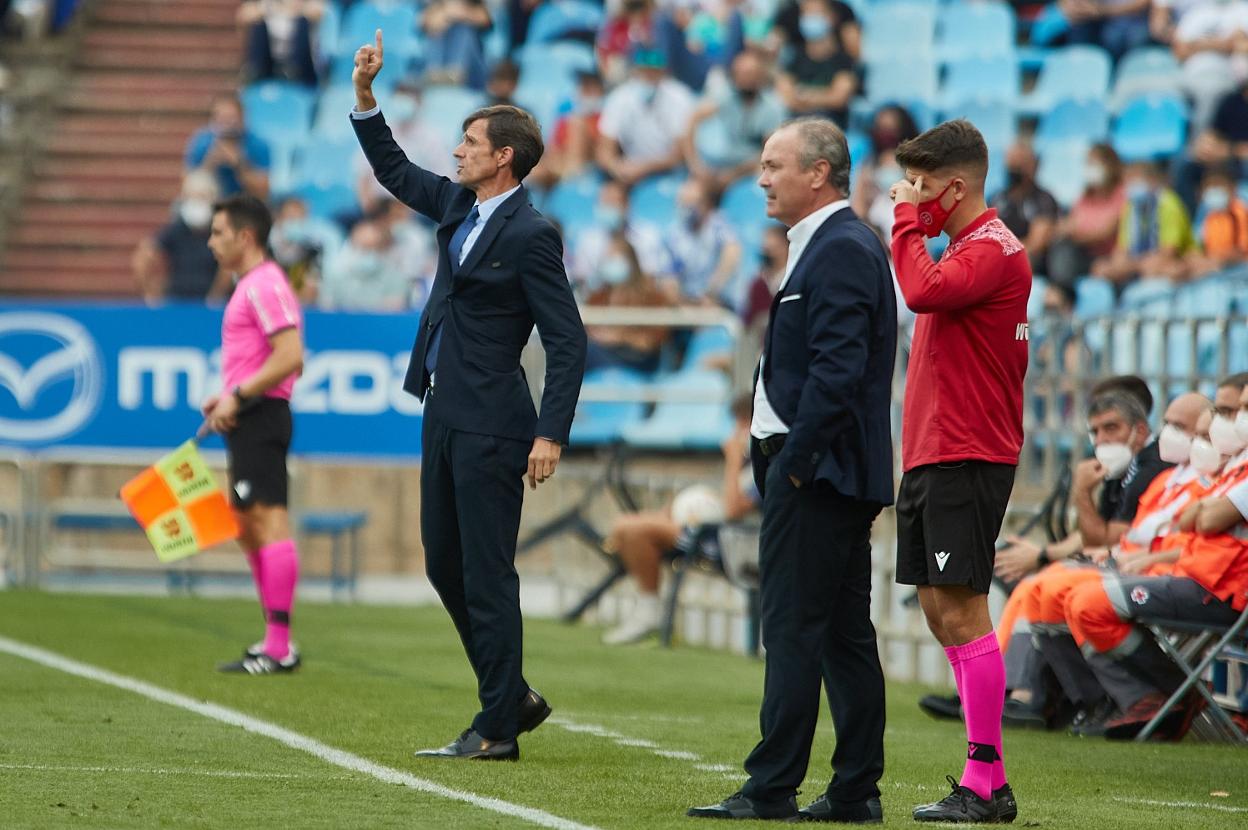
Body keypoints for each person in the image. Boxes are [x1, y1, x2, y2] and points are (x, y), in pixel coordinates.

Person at [351, 30, 587, 761]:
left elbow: (567, 339)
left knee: (487, 573)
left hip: (494, 423)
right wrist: (364, 97)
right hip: (444, 409)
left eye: (469, 143)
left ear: (503, 157)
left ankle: (496, 728)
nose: (457, 152)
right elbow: (395, 171)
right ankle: (511, 695)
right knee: (443, 564)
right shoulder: (459, 205)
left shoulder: (532, 233)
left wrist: (550, 433)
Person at [688, 116, 896, 823]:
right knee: (841, 635)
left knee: (794, 631)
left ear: (819, 172)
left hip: (819, 474)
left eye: (774, 165)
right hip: (825, 471)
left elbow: (839, 371)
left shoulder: (841, 247)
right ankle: (855, 791)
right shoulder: (829, 244)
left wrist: (796, 466)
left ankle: (773, 786)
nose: (761, 179)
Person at [888, 118, 1030, 823]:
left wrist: (902, 223)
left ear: (954, 186)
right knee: (939, 609)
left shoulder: (994, 250)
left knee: (965, 609)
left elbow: (920, 290)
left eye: (919, 185)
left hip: (968, 450)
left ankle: (982, 781)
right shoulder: (963, 248)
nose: (911, 196)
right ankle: (989, 781)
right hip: (933, 450)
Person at [200, 195, 305, 675]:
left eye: (218, 232)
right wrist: (227, 398)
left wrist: (239, 395)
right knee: (247, 524)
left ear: (245, 237)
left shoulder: (264, 284)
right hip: (248, 414)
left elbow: (291, 357)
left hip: (262, 415)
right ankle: (274, 640)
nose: (211, 241)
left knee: (268, 520)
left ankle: (279, 646)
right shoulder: (251, 285)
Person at [602, 394, 758, 645]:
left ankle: (649, 611)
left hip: (732, 544)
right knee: (629, 525)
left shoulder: (763, 465)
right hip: (712, 532)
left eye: (743, 424)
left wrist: (733, 460)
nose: (736, 433)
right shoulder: (749, 463)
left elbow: (732, 510)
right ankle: (647, 608)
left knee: (631, 529)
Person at [682, 48, 786, 192]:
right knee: (691, 194)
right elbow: (693, 121)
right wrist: (696, 166)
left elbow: (771, 152)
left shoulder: (773, 107)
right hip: (720, 164)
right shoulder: (724, 96)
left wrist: (735, 174)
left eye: (751, 74)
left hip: (751, 167)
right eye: (741, 74)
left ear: (761, 76)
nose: (746, 79)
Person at [595, 47, 695, 186]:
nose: (648, 77)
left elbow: (680, 154)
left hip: (671, 172)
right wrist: (616, 167)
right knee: (610, 193)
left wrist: (644, 168)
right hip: (629, 171)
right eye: (644, 71)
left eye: (653, 72)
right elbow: (604, 150)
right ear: (635, 71)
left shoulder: (680, 97)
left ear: (663, 72)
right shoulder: (619, 98)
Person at [1092, 158, 1196, 286]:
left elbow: (1169, 251)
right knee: (1101, 269)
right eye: (1127, 181)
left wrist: (1133, 266)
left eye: (1134, 180)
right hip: (1139, 264)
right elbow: (1122, 248)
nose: (1129, 186)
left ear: (1152, 180)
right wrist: (1117, 266)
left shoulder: (1168, 203)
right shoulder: (1131, 207)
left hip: (1173, 262)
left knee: (1162, 268)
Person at [583, 230, 675, 373]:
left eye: (614, 257)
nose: (608, 262)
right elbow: (586, 330)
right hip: (604, 353)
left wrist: (620, 337)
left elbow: (653, 340)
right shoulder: (598, 296)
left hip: (637, 360)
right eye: (607, 258)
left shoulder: (651, 297)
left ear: (630, 261)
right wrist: (598, 335)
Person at [132, 170, 225, 303]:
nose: (198, 203)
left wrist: (216, 297)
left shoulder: (220, 232)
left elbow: (230, 267)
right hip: (177, 302)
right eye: (192, 197)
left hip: (209, 304)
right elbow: (144, 255)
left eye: (203, 197)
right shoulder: (176, 230)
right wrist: (151, 293)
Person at [1046, 143, 1126, 289]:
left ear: (1109, 166)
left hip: (1108, 257)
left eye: (1094, 163)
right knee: (1060, 248)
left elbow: (1105, 232)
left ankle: (1061, 294)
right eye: (1088, 163)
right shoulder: (1084, 197)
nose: (1089, 167)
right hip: (1083, 255)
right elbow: (1067, 224)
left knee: (1064, 251)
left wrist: (1074, 234)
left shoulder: (1121, 195)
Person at [776, 0, 858, 128]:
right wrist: (823, 96)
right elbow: (786, 96)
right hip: (795, 126)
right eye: (806, 13)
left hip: (832, 126)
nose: (810, 18)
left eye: (816, 13)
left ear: (831, 18)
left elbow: (839, 98)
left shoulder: (843, 60)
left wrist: (804, 95)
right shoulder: (794, 57)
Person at [663, 176, 743, 307]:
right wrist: (678, 300)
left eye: (690, 203)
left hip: (719, 300)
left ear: (706, 204)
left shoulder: (720, 225)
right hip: (688, 301)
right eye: (682, 203)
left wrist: (711, 292)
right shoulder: (675, 233)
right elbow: (670, 274)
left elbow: (731, 255)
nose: (685, 208)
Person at [184, 93, 271, 199]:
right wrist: (209, 163)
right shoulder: (203, 141)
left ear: (242, 118)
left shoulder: (257, 144)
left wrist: (239, 165)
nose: (227, 125)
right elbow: (188, 185)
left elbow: (263, 191)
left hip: (245, 201)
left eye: (231, 118)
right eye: (221, 118)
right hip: (211, 200)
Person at [993, 141, 1060, 277]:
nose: (1013, 169)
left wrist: (1003, 256)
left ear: (1031, 166)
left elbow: (1037, 243)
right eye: (1011, 163)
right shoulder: (997, 198)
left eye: (1019, 164)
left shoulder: (1043, 199)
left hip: (1028, 261)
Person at [238, 0, 322, 86]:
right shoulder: (269, 5)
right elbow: (245, 14)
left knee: (302, 22)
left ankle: (293, 70)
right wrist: (273, 9)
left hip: (301, 65)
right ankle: (255, 69)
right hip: (270, 62)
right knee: (259, 24)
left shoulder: (307, 5)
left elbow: (319, 11)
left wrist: (297, 10)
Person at [1188, 165, 1248, 276]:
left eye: (1218, 185)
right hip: (1214, 266)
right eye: (1209, 186)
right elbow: (1200, 245)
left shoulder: (1240, 212)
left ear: (1232, 188)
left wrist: (1214, 259)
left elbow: (1241, 250)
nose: (1213, 190)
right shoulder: (1209, 216)